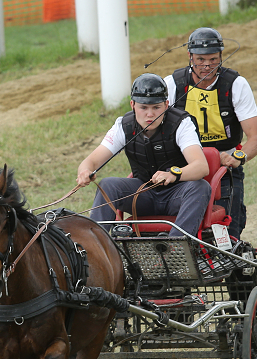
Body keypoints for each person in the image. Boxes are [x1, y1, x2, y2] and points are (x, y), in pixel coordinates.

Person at [76, 73, 210, 237]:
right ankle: (95, 246)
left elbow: (201, 167)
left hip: (176, 195)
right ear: (132, 105)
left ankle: (177, 246)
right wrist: (85, 171)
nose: (150, 114)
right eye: (143, 107)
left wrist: (173, 175)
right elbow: (91, 161)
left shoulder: (181, 123)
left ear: (166, 104)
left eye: (156, 107)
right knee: (108, 185)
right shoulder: (123, 125)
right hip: (143, 195)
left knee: (200, 187)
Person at [165, 27, 257, 240]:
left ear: (221, 57)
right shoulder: (172, 84)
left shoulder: (236, 84)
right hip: (184, 165)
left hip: (225, 166)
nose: (206, 65)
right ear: (190, 57)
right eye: (200, 59)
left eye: (213, 59)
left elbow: (255, 139)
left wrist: (238, 158)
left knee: (232, 231)